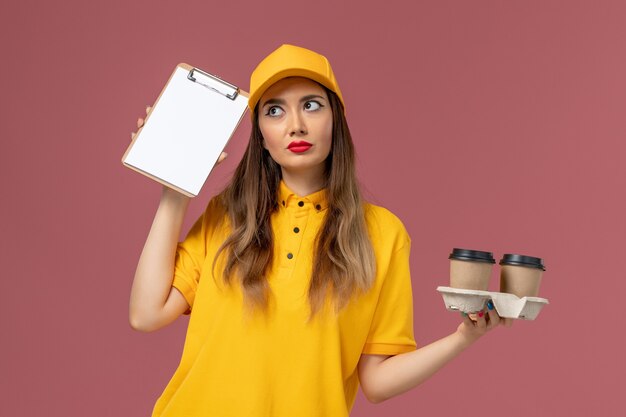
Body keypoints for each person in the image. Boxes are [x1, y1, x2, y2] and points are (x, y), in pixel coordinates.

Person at [129, 44, 508, 417]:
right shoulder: (226, 216)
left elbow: (375, 383)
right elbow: (147, 314)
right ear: (260, 134)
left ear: (335, 120)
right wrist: (175, 193)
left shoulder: (383, 234)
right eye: (274, 110)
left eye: (311, 105)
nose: (296, 125)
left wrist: (464, 338)